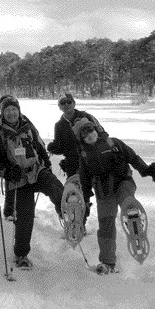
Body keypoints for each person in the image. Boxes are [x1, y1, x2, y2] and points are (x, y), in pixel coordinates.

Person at [73, 118, 155, 274]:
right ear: (81, 138)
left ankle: (134, 220)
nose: (89, 135)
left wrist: (146, 170)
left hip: (123, 182)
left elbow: (132, 157)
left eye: (90, 130)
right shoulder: (84, 155)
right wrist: (86, 200)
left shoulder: (113, 143)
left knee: (127, 199)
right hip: (103, 191)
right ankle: (108, 263)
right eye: (84, 134)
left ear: (96, 129)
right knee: (105, 225)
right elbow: (84, 178)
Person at [0, 96, 65, 269]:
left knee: (54, 185)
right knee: (25, 219)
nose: (11, 113)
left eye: (14, 109)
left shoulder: (28, 127)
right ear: (2, 113)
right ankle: (21, 255)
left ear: (19, 110)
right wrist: (8, 170)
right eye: (7, 110)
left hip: (36, 171)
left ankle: (66, 211)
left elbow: (40, 147)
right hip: (18, 180)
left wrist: (47, 166)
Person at [46, 92, 107, 225]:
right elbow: (61, 146)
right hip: (73, 164)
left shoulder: (87, 117)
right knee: (76, 195)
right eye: (63, 103)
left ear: (74, 103)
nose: (66, 105)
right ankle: (79, 223)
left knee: (102, 192)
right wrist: (52, 147)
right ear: (59, 107)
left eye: (69, 101)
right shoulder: (59, 125)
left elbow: (102, 134)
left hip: (94, 160)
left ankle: (106, 223)